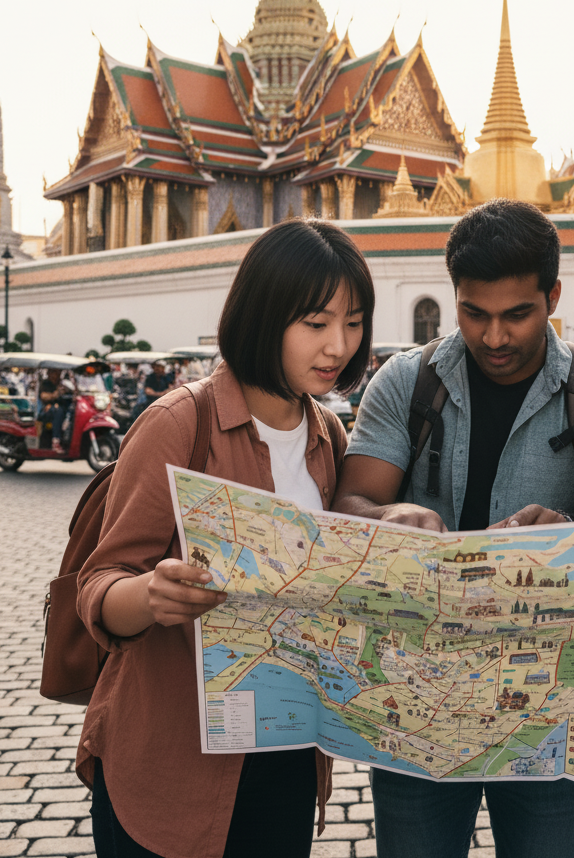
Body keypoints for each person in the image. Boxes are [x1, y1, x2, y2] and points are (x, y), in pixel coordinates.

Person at [75, 219, 375, 858]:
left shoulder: (329, 438)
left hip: (285, 751)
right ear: (265, 316)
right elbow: (98, 585)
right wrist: (153, 594)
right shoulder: (179, 423)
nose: (339, 345)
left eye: (353, 322)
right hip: (169, 752)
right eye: (316, 323)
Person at [333, 198, 574, 858]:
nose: (495, 337)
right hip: (417, 696)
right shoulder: (406, 381)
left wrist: (562, 529)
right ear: (454, 296)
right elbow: (349, 508)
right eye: (474, 313)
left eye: (517, 314)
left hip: (544, 702)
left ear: (554, 296)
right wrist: (395, 515)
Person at [38, 367, 68, 452]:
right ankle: (56, 441)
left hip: (61, 409)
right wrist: (56, 394)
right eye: (55, 372)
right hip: (45, 411)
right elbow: (43, 396)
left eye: (59, 372)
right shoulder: (46, 384)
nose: (57, 374)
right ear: (49, 373)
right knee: (58, 411)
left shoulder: (61, 384)